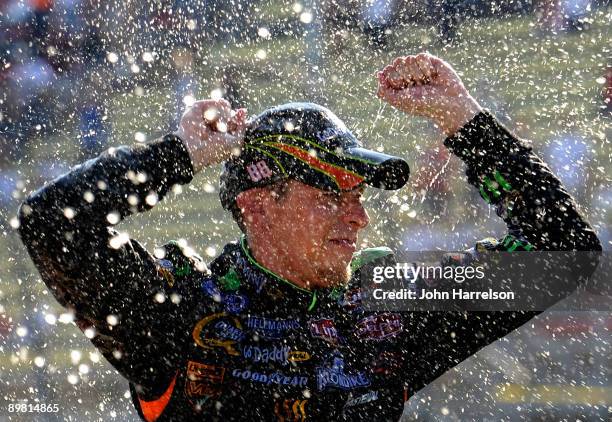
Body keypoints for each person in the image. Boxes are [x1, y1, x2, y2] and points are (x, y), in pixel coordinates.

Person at [18, 53, 600, 421]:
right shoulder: (183, 309)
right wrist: (180, 155)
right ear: (257, 208)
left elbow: (564, 251)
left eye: (358, 197)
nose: (358, 218)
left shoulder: (390, 300)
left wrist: (464, 122)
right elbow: (51, 223)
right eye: (331, 197)